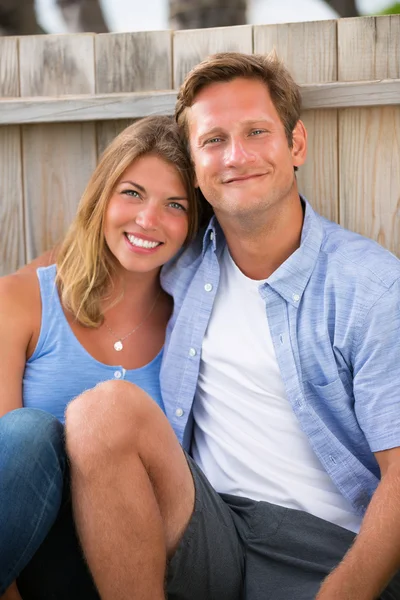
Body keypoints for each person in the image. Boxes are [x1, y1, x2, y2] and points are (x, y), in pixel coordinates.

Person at [6, 51, 400, 600]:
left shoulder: (371, 287)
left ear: (296, 144)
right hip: (214, 534)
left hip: (329, 548)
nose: (236, 156)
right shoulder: (187, 262)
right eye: (214, 140)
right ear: (196, 164)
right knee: (101, 411)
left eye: (256, 131)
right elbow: (99, 247)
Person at [0, 115, 200, 600]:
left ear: (194, 222)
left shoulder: (195, 323)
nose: (148, 220)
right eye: (131, 193)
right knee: (26, 433)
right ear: (101, 197)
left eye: (174, 204)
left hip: (141, 558)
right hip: (28, 558)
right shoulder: (22, 300)